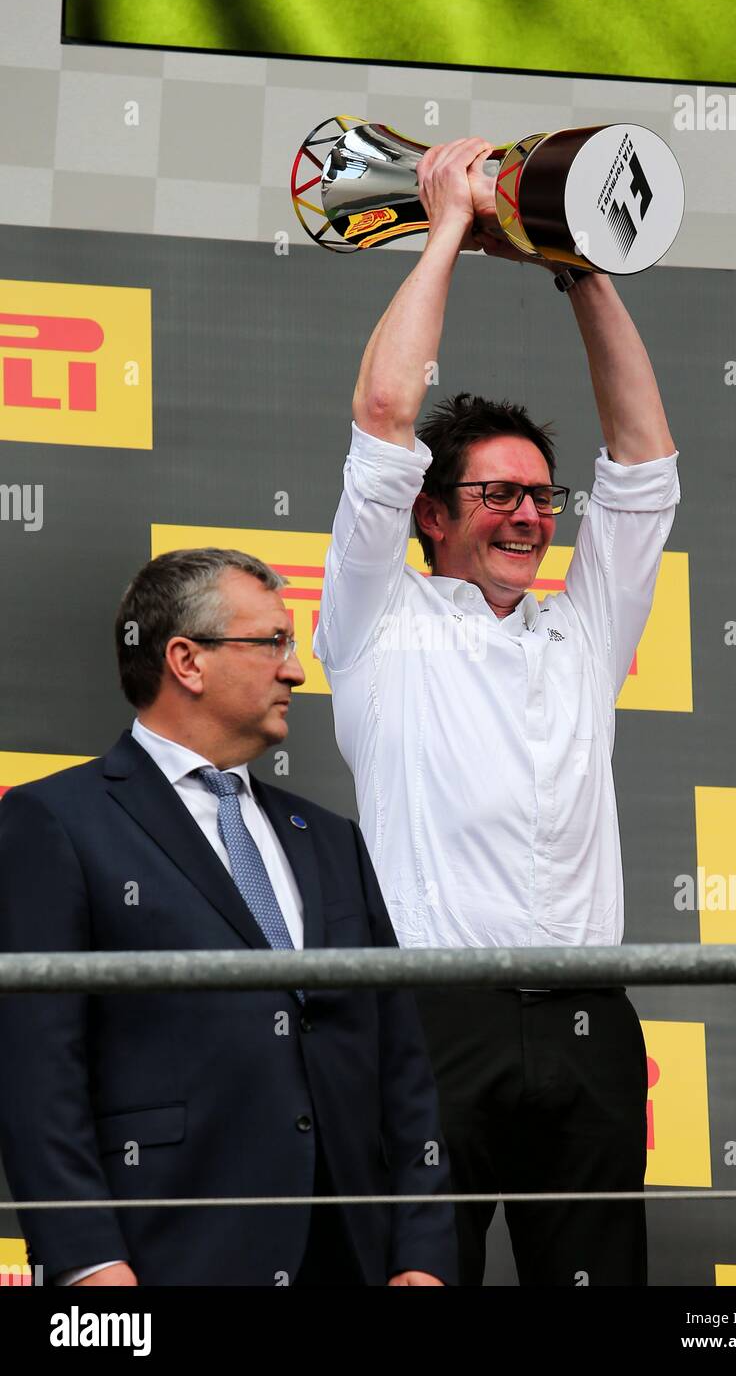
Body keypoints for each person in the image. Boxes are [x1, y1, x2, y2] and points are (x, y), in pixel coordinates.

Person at [314, 138, 681, 1285]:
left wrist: (576, 256)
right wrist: (439, 236)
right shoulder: (376, 620)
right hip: (434, 1013)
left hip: (588, 1018)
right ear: (430, 515)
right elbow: (384, 413)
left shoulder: (583, 626)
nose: (528, 516)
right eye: (496, 494)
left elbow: (644, 461)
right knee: (423, 1277)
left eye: (539, 496)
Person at [0, 548, 457, 1287]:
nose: (296, 670)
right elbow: (35, 1073)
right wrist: (88, 1264)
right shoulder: (55, 822)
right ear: (187, 660)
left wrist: (422, 1255)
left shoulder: (330, 837)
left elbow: (401, 1064)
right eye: (272, 641)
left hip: (353, 1260)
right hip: (168, 1258)